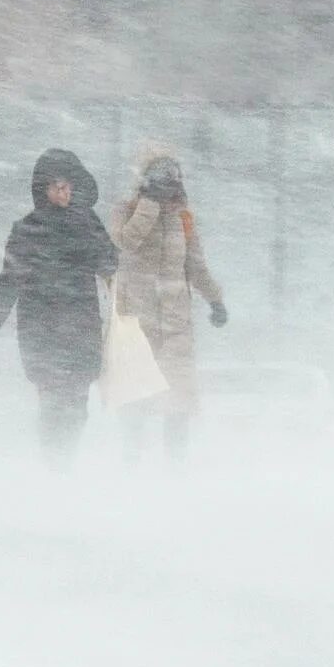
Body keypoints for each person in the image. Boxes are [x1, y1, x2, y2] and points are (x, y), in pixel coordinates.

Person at [0, 148, 119, 461]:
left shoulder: (86, 224)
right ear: (44, 189)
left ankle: (64, 466)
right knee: (52, 405)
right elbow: (9, 282)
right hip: (42, 331)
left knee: (78, 407)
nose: (64, 192)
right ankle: (54, 468)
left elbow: (110, 264)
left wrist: (90, 228)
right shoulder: (27, 230)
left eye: (69, 186)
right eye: (57, 186)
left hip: (80, 328)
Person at [111, 151, 227, 459]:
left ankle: (176, 469)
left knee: (178, 403)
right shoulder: (128, 210)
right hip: (137, 323)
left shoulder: (183, 219)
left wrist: (215, 298)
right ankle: (131, 467)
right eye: (163, 180)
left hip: (176, 327)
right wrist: (148, 205)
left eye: (173, 180)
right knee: (136, 402)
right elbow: (126, 243)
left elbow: (196, 265)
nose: (170, 187)